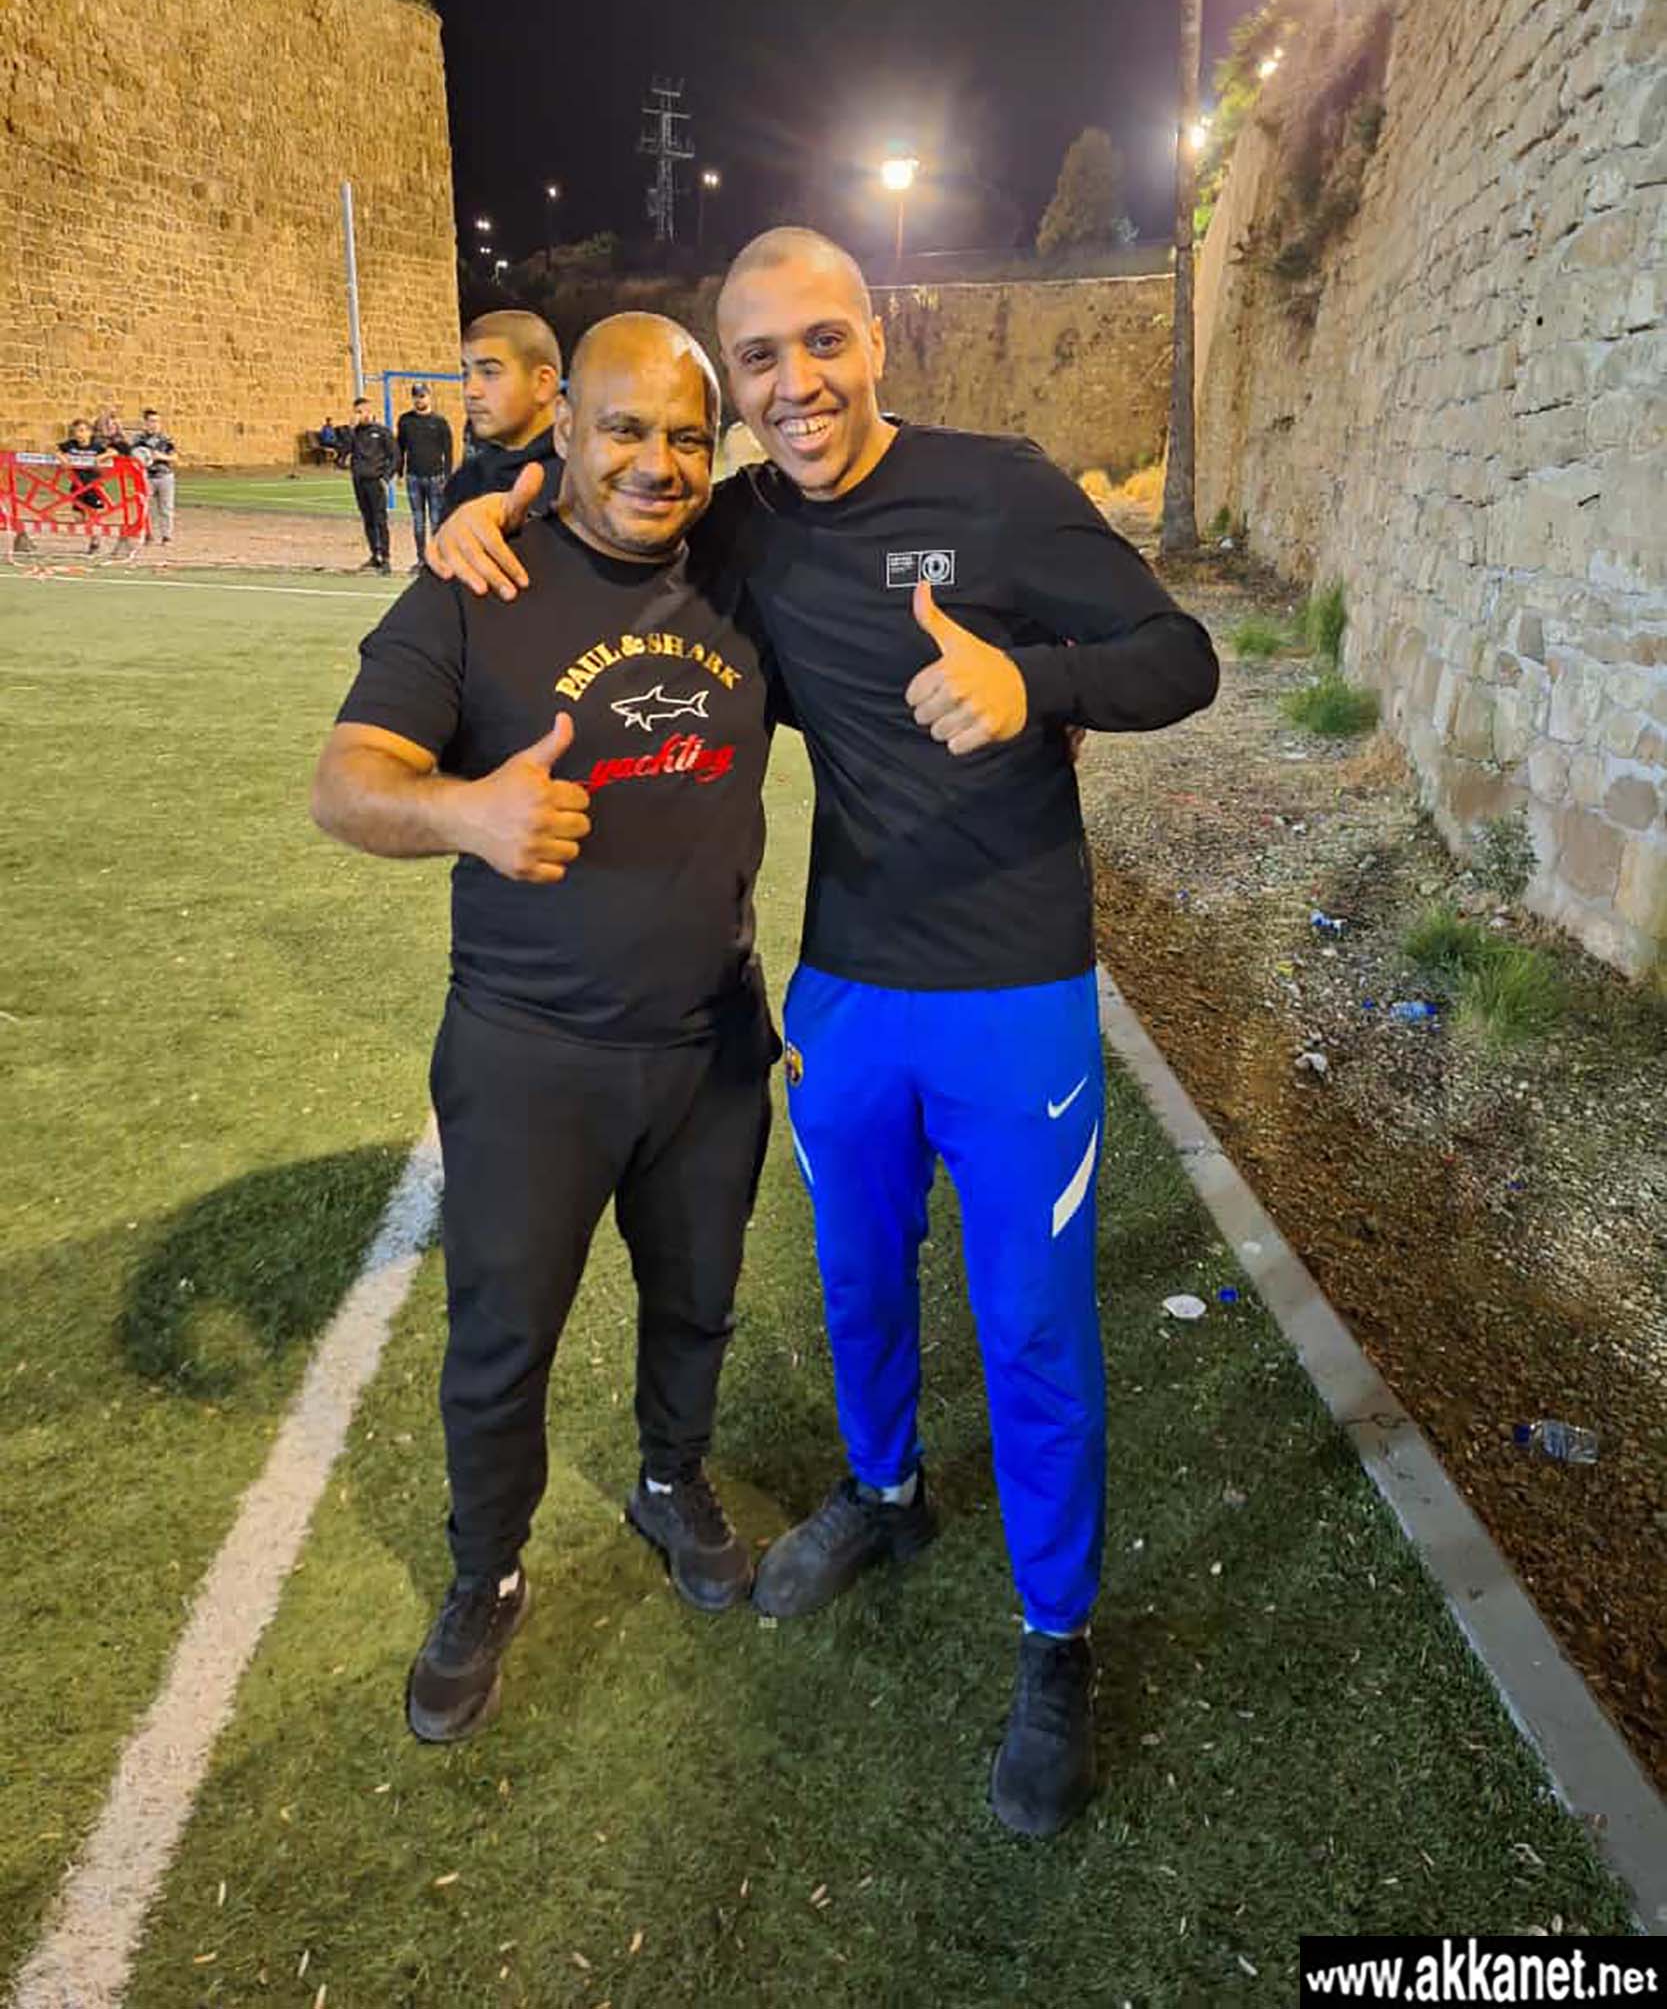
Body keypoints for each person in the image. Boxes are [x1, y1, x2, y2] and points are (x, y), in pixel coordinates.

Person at [429, 229, 1219, 1837]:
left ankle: (1054, 1636)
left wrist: (1032, 685)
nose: (794, 385)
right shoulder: (743, 526)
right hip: (848, 985)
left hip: (1014, 990)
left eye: (820, 343)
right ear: (733, 386)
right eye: (759, 358)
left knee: (1030, 1327)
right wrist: (488, 500)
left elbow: (1180, 658)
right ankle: (881, 1491)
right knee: (857, 1278)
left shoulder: (995, 488)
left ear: (875, 340)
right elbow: (606, 509)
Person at [310, 314, 777, 1745]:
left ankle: (669, 1478)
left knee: (697, 1298)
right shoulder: (479, 580)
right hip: (529, 1051)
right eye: (623, 429)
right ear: (562, 428)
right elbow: (347, 780)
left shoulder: (747, 565)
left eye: (687, 436)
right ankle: (485, 1571)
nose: (656, 464)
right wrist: (468, 812)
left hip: (710, 1043)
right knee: (502, 1337)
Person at [439, 311, 562, 522]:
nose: (470, 390)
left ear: (543, 383)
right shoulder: (465, 481)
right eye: (465, 374)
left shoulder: (582, 481)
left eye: (489, 372)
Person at [396, 382, 455, 573]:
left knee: (436, 521)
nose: (419, 400)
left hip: (435, 478)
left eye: (422, 396)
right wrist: (399, 472)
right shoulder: (405, 421)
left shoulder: (440, 422)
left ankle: (436, 560)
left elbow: (448, 451)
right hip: (413, 477)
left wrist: (447, 476)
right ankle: (421, 560)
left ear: (429, 397)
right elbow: (400, 448)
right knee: (418, 522)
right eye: (416, 396)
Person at [342, 395, 399, 573]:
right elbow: (344, 452)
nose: (360, 415)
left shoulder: (382, 432)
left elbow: (395, 456)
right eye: (357, 412)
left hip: (375, 481)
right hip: (359, 481)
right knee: (367, 519)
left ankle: (386, 558)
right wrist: (350, 431)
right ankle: (375, 555)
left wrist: (386, 477)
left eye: (362, 411)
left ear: (370, 411)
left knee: (380, 519)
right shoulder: (355, 433)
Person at [59, 417, 117, 557]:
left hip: (93, 485)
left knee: (94, 514)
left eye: (82, 431)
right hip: (77, 485)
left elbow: (113, 452)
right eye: (76, 431)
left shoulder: (96, 446)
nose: (79, 434)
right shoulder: (71, 445)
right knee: (78, 518)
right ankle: (92, 531)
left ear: (89, 432)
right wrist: (62, 458)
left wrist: (100, 457)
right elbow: (57, 451)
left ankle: (95, 542)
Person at [131, 407, 178, 552]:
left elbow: (175, 457)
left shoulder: (166, 439)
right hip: (146, 476)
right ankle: (147, 534)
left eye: (157, 421)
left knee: (166, 508)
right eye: (151, 421)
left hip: (165, 476)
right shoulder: (138, 439)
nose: (155, 424)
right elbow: (133, 455)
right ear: (145, 423)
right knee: (144, 507)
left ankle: (166, 536)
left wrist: (161, 456)